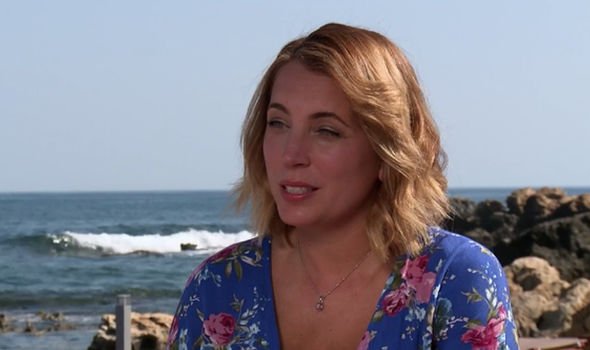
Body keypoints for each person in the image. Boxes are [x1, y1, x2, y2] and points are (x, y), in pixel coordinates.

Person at [167, 23, 519, 350]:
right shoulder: (216, 286)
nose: (291, 154)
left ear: (387, 152)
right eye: (278, 123)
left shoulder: (456, 278)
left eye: (327, 131)